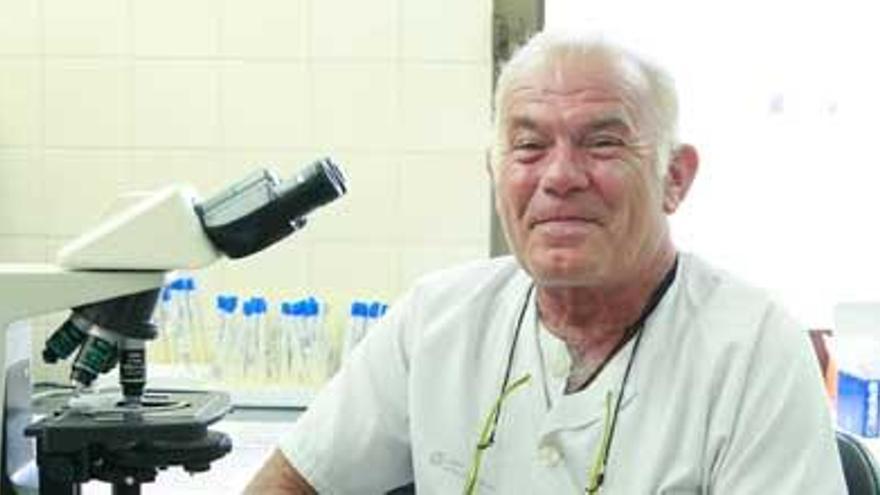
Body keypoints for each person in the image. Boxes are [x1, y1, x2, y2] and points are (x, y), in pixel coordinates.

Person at [246, 30, 846, 494]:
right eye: (529, 146)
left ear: (675, 177)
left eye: (602, 143)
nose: (559, 176)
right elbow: (295, 480)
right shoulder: (437, 320)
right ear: (495, 173)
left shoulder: (756, 350)